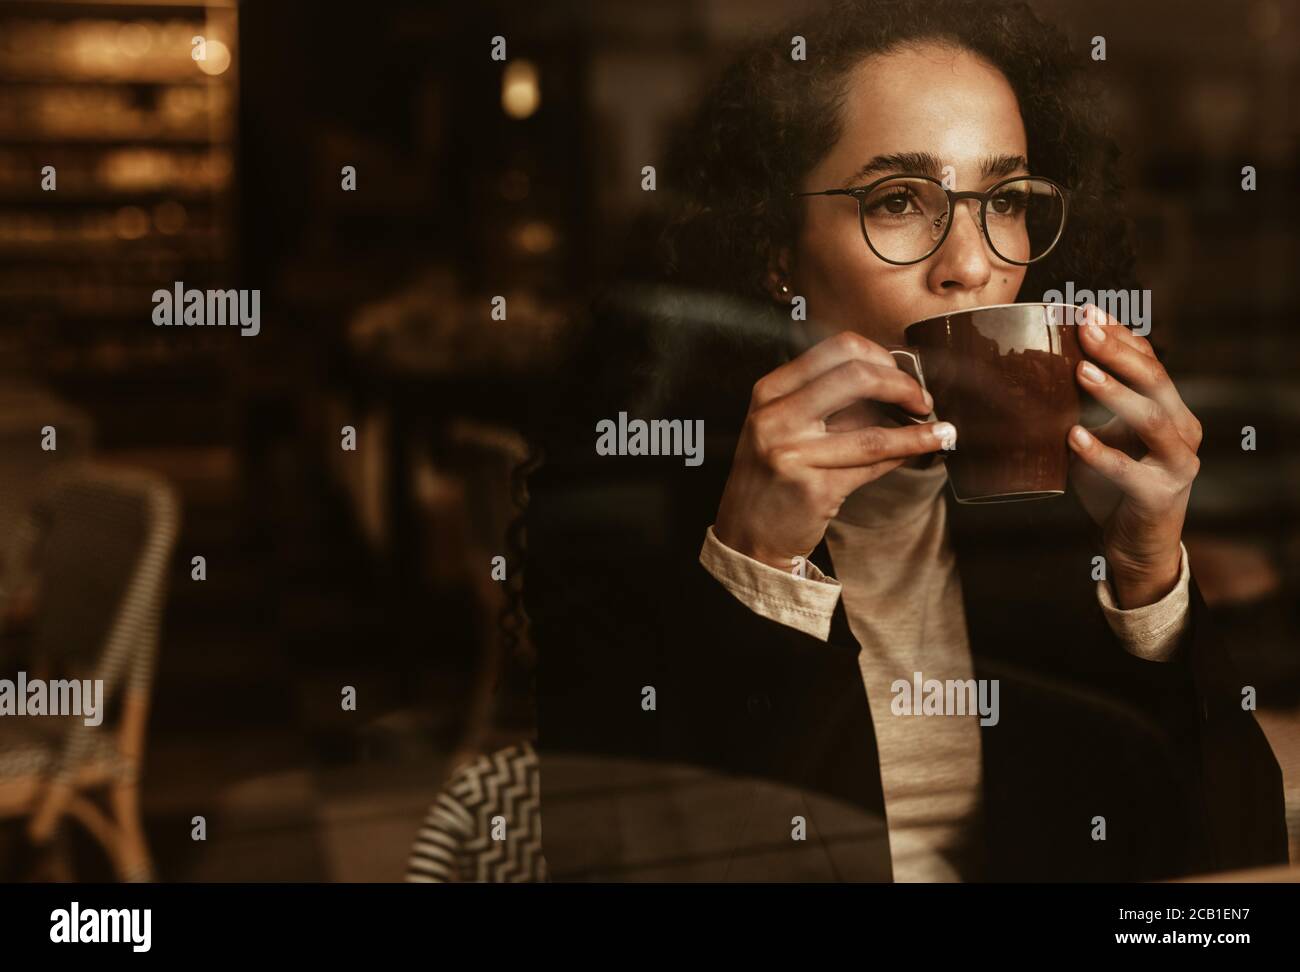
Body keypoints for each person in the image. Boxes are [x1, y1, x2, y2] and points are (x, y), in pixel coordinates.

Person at [523, 0, 1289, 881]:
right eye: (898, 201)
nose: (972, 261)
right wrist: (758, 573)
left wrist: (1150, 577)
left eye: (1005, 201)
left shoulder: (1061, 515)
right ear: (776, 254)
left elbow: (1226, 880)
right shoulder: (632, 508)